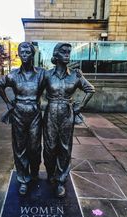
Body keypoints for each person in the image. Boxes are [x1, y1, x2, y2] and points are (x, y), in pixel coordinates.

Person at [43, 42, 95, 198]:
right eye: (64, 52)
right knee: (50, 147)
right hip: (50, 113)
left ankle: (61, 180)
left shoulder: (75, 75)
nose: (67, 54)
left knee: (64, 147)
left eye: (69, 52)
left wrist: (80, 106)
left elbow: (90, 89)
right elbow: (34, 90)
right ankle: (51, 173)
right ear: (56, 55)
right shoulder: (47, 75)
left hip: (67, 113)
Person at [0, 42, 45, 195]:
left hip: (35, 113)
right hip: (19, 114)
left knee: (35, 147)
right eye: (21, 52)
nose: (24, 55)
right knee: (19, 148)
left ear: (32, 54)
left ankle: (35, 172)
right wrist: (8, 104)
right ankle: (23, 178)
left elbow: (57, 83)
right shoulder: (13, 74)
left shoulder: (42, 73)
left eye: (27, 52)